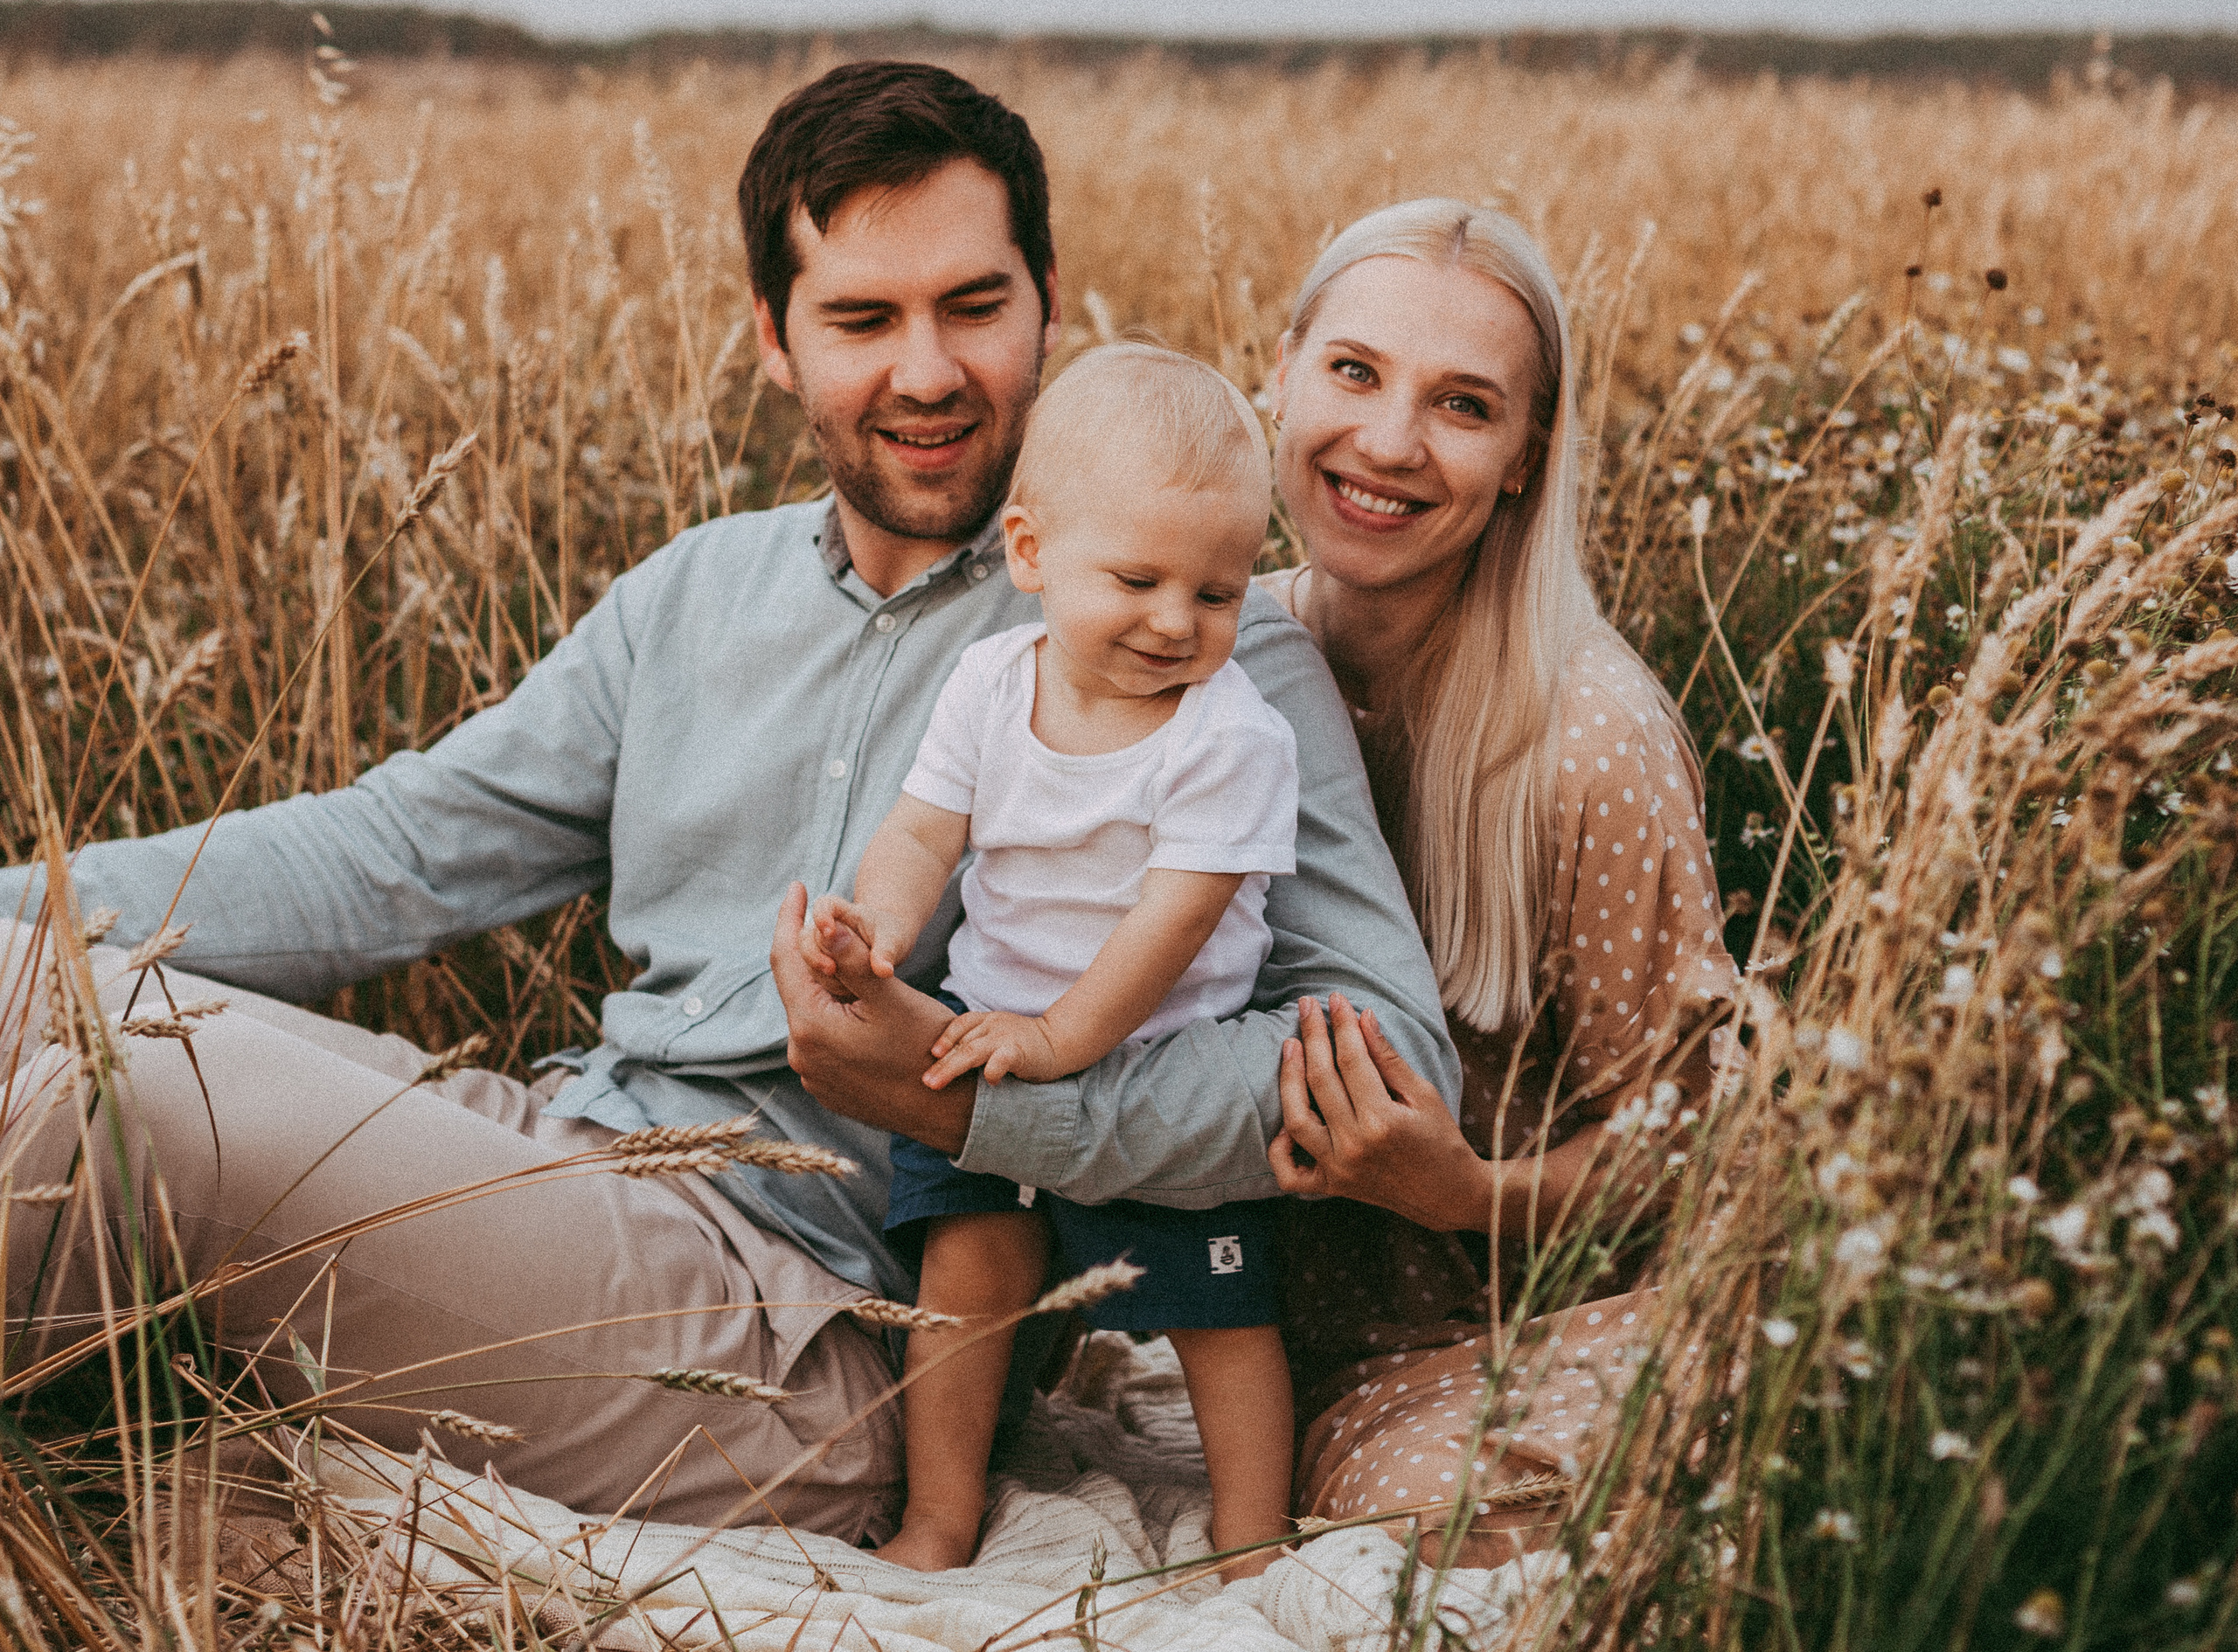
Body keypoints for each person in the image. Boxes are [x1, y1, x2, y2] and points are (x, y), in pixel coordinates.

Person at [0, 64, 1454, 1544]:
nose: (931, 370)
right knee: (40, 986)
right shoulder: (693, 591)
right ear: (773, 340)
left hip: (802, 1321)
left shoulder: (1193, 642)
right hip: (568, 1140)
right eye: (862, 319)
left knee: (87, 1107)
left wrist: (989, 1104)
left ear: (1048, 300)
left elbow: (1391, 1062)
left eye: (972, 304)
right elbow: (393, 852)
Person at [1252, 199, 1738, 1564]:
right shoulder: (1208, 660)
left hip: (1530, 1329)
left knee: (1413, 1514)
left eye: (1464, 405)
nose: (1390, 442)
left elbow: (1697, 1152)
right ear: (1280, 370)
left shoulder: (1581, 738)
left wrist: (1462, 1193)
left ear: (1527, 457)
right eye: (1354, 372)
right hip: (1299, 1347)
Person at [802, 343, 1297, 1576]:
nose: (1179, 621)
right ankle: (941, 1514)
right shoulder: (987, 682)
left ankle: (1250, 1540)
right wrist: (883, 929)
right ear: (1031, 553)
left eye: (1221, 591)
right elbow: (924, 829)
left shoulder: (1231, 731)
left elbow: (1171, 922)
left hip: (1163, 1072)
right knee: (964, 1281)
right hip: (992, 1037)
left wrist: (1063, 1039)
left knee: (1221, 1318)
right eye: (1138, 578)